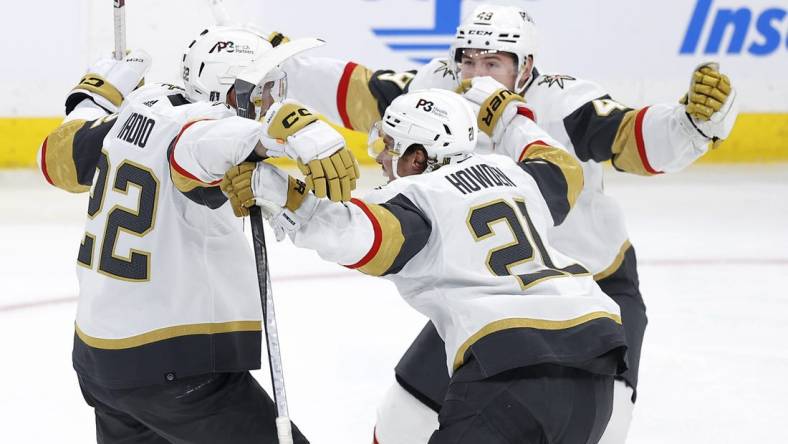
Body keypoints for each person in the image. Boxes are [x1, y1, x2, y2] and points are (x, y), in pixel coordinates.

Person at [267, 4, 739, 442]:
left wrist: (691, 126)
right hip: (487, 296)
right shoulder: (437, 94)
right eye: (468, 61)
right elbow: (365, 92)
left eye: (493, 64)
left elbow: (630, 136)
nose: (476, 76)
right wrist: (279, 65)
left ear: (526, 67)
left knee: (606, 425)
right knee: (403, 419)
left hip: (593, 291)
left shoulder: (562, 103)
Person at [222, 88, 628, 444]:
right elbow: (561, 164)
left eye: (391, 146)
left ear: (418, 158)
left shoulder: (419, 193)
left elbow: (363, 236)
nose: (381, 156)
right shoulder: (514, 174)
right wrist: (509, 117)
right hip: (595, 366)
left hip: (510, 371)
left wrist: (287, 198)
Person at [38, 25, 357, 444]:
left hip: (100, 361)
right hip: (175, 369)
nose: (271, 101)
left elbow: (57, 156)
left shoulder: (135, 112)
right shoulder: (200, 130)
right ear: (228, 93)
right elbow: (213, 142)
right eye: (262, 91)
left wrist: (91, 96)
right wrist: (280, 135)